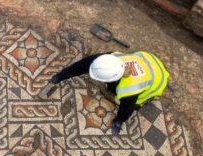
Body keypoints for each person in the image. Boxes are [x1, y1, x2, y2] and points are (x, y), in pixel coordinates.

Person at [41, 51, 169, 135]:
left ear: (111, 79)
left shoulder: (129, 90)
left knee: (128, 102)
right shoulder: (109, 60)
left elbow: (127, 109)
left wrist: (119, 121)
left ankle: (146, 99)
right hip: (148, 59)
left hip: (158, 79)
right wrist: (59, 77)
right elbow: (83, 65)